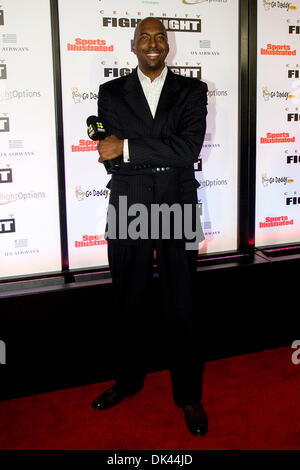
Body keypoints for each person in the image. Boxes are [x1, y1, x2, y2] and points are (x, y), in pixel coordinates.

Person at [92, 17, 208, 436]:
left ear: (168, 45)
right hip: (128, 202)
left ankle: (188, 396)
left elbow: (188, 148)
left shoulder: (193, 91)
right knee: (128, 297)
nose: (154, 44)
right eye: (145, 37)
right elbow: (108, 153)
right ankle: (127, 381)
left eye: (161, 37)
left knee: (183, 302)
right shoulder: (110, 93)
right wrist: (128, 150)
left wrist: (127, 146)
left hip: (177, 201)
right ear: (134, 45)